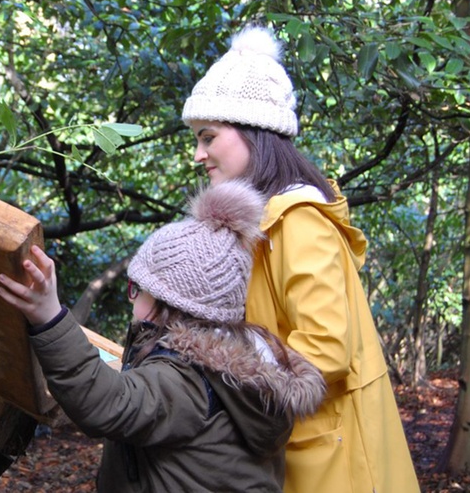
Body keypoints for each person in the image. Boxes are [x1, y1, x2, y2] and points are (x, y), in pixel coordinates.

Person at [180, 24, 420, 492]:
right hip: (294, 449)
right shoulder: (265, 220)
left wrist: (219, 373)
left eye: (207, 136)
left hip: (338, 462)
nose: (198, 153)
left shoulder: (297, 219)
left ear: (254, 131)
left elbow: (325, 349)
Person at [0, 179, 326, 492]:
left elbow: (105, 403)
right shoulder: (237, 362)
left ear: (171, 306)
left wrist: (49, 317)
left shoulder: (187, 378)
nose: (131, 298)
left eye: (137, 290)